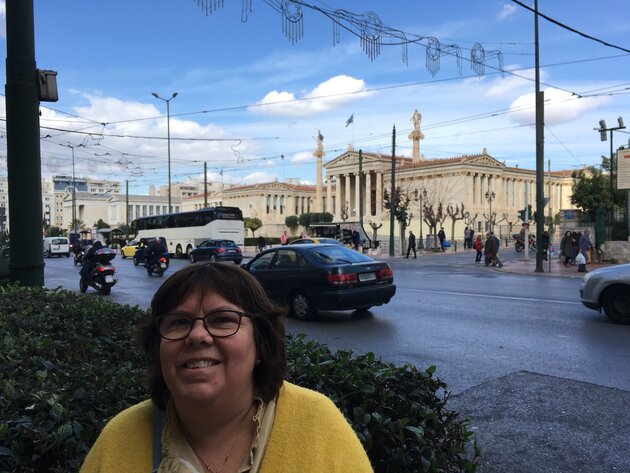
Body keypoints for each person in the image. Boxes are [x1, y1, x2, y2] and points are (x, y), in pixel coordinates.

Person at [80, 263, 373, 473]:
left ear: (260, 343)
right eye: (179, 322)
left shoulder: (318, 425)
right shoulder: (119, 438)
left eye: (222, 320)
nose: (197, 336)